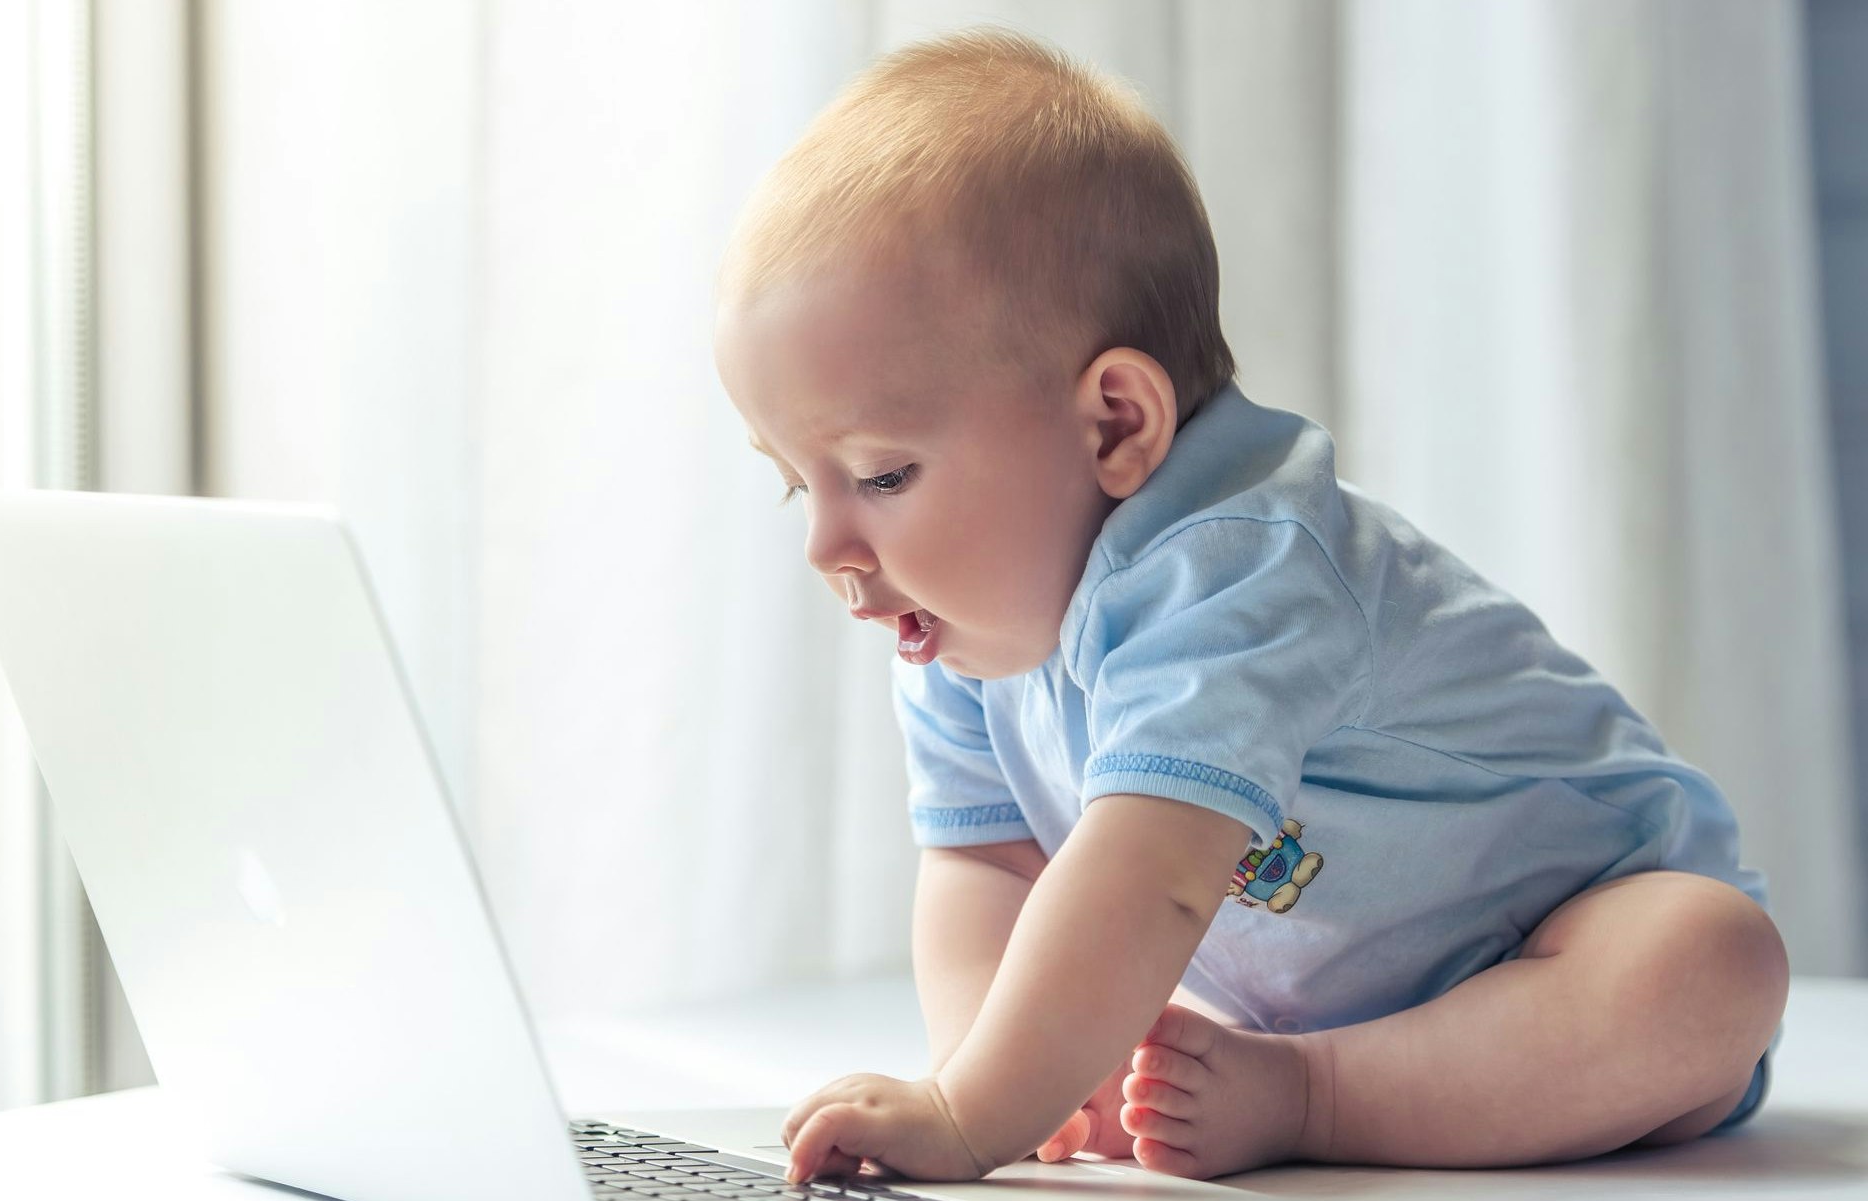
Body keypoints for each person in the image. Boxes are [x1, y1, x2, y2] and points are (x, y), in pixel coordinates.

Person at [711, 27, 1788, 1185]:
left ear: (1116, 422)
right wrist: (1005, 1080)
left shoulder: (1231, 564)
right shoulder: (963, 635)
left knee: (1708, 959)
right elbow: (985, 870)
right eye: (795, 482)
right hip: (1322, 991)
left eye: (879, 475)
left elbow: (1154, 871)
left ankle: (1317, 1095)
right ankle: (1286, 1073)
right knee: (1102, 986)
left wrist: (968, 1117)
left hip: (1572, 949)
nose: (829, 545)